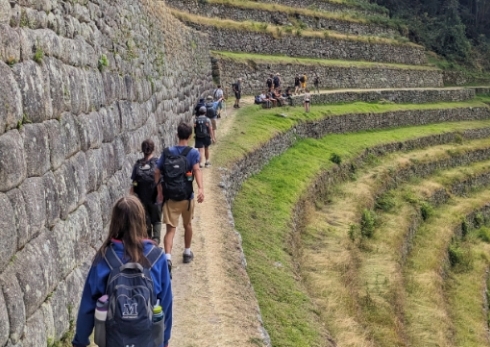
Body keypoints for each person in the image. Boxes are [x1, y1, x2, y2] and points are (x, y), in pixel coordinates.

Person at [72, 196, 172, 347]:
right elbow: (166, 302)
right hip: (148, 340)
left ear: (115, 221)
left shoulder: (104, 257)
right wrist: (164, 340)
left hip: (114, 340)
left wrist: (80, 341)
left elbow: (88, 304)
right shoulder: (157, 257)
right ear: (141, 220)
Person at [155, 122, 204, 275]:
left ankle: (168, 258)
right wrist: (201, 188)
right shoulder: (193, 153)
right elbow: (196, 170)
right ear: (190, 136)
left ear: (177, 134)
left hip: (170, 198)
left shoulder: (167, 152)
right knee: (187, 224)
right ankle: (187, 252)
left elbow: (157, 171)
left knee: (170, 229)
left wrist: (160, 191)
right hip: (186, 197)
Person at [129, 139, 162, 245]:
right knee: (156, 221)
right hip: (154, 197)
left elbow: (134, 183)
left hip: (141, 200)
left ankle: (148, 243)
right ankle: (156, 240)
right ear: (153, 149)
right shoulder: (157, 163)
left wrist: (132, 198)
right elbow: (161, 181)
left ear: (142, 150)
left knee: (145, 221)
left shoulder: (138, 164)